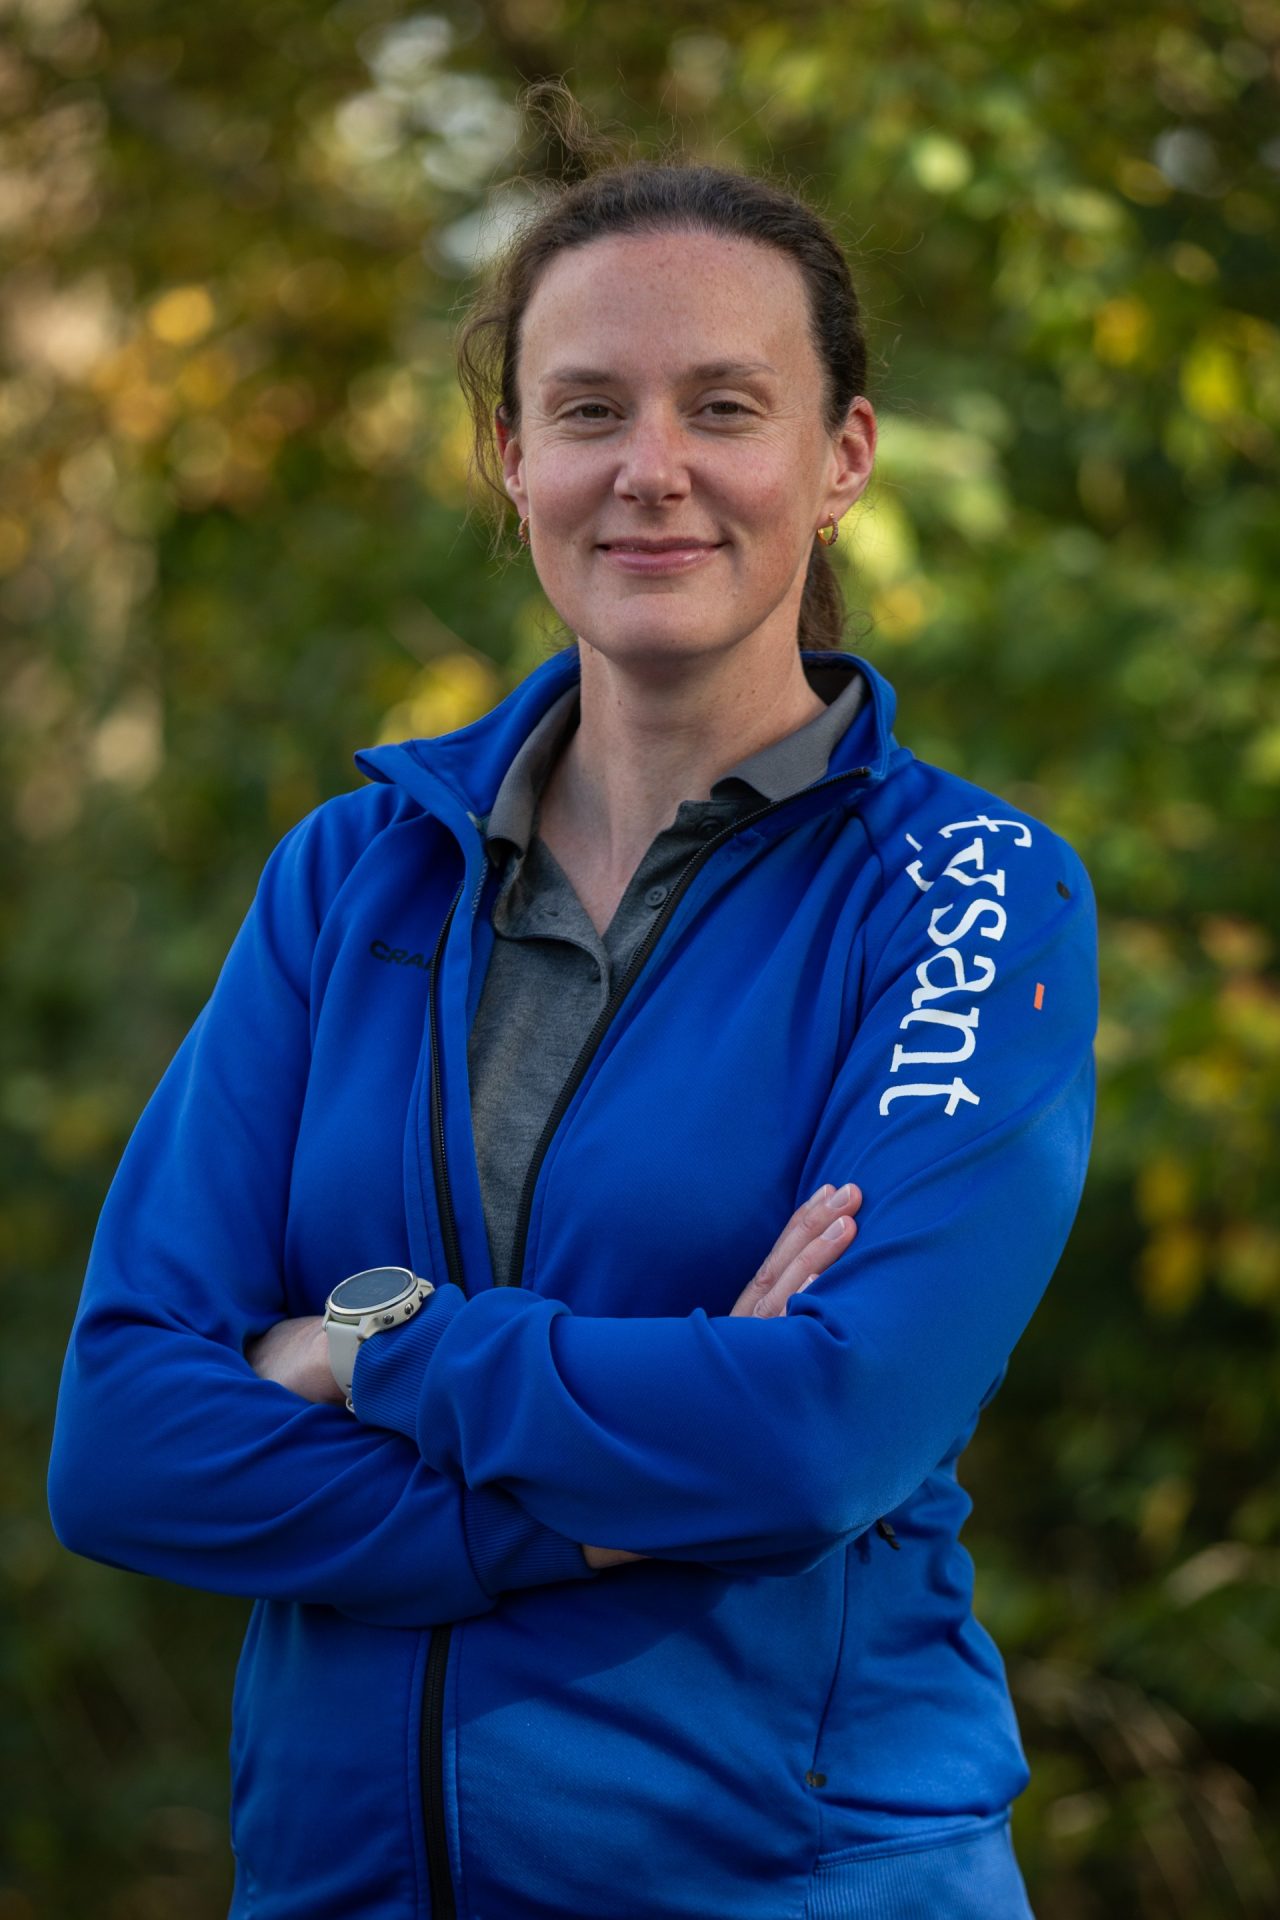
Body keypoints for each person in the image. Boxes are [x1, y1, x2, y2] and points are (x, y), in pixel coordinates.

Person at [48, 104, 1098, 1920]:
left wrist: (373, 1351)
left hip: (788, 1885)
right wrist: (608, 1507)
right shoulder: (354, 874)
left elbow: (822, 1433)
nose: (652, 470)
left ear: (842, 456)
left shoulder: (969, 894)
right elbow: (129, 1446)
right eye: (591, 410)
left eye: (725, 407)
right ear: (513, 458)